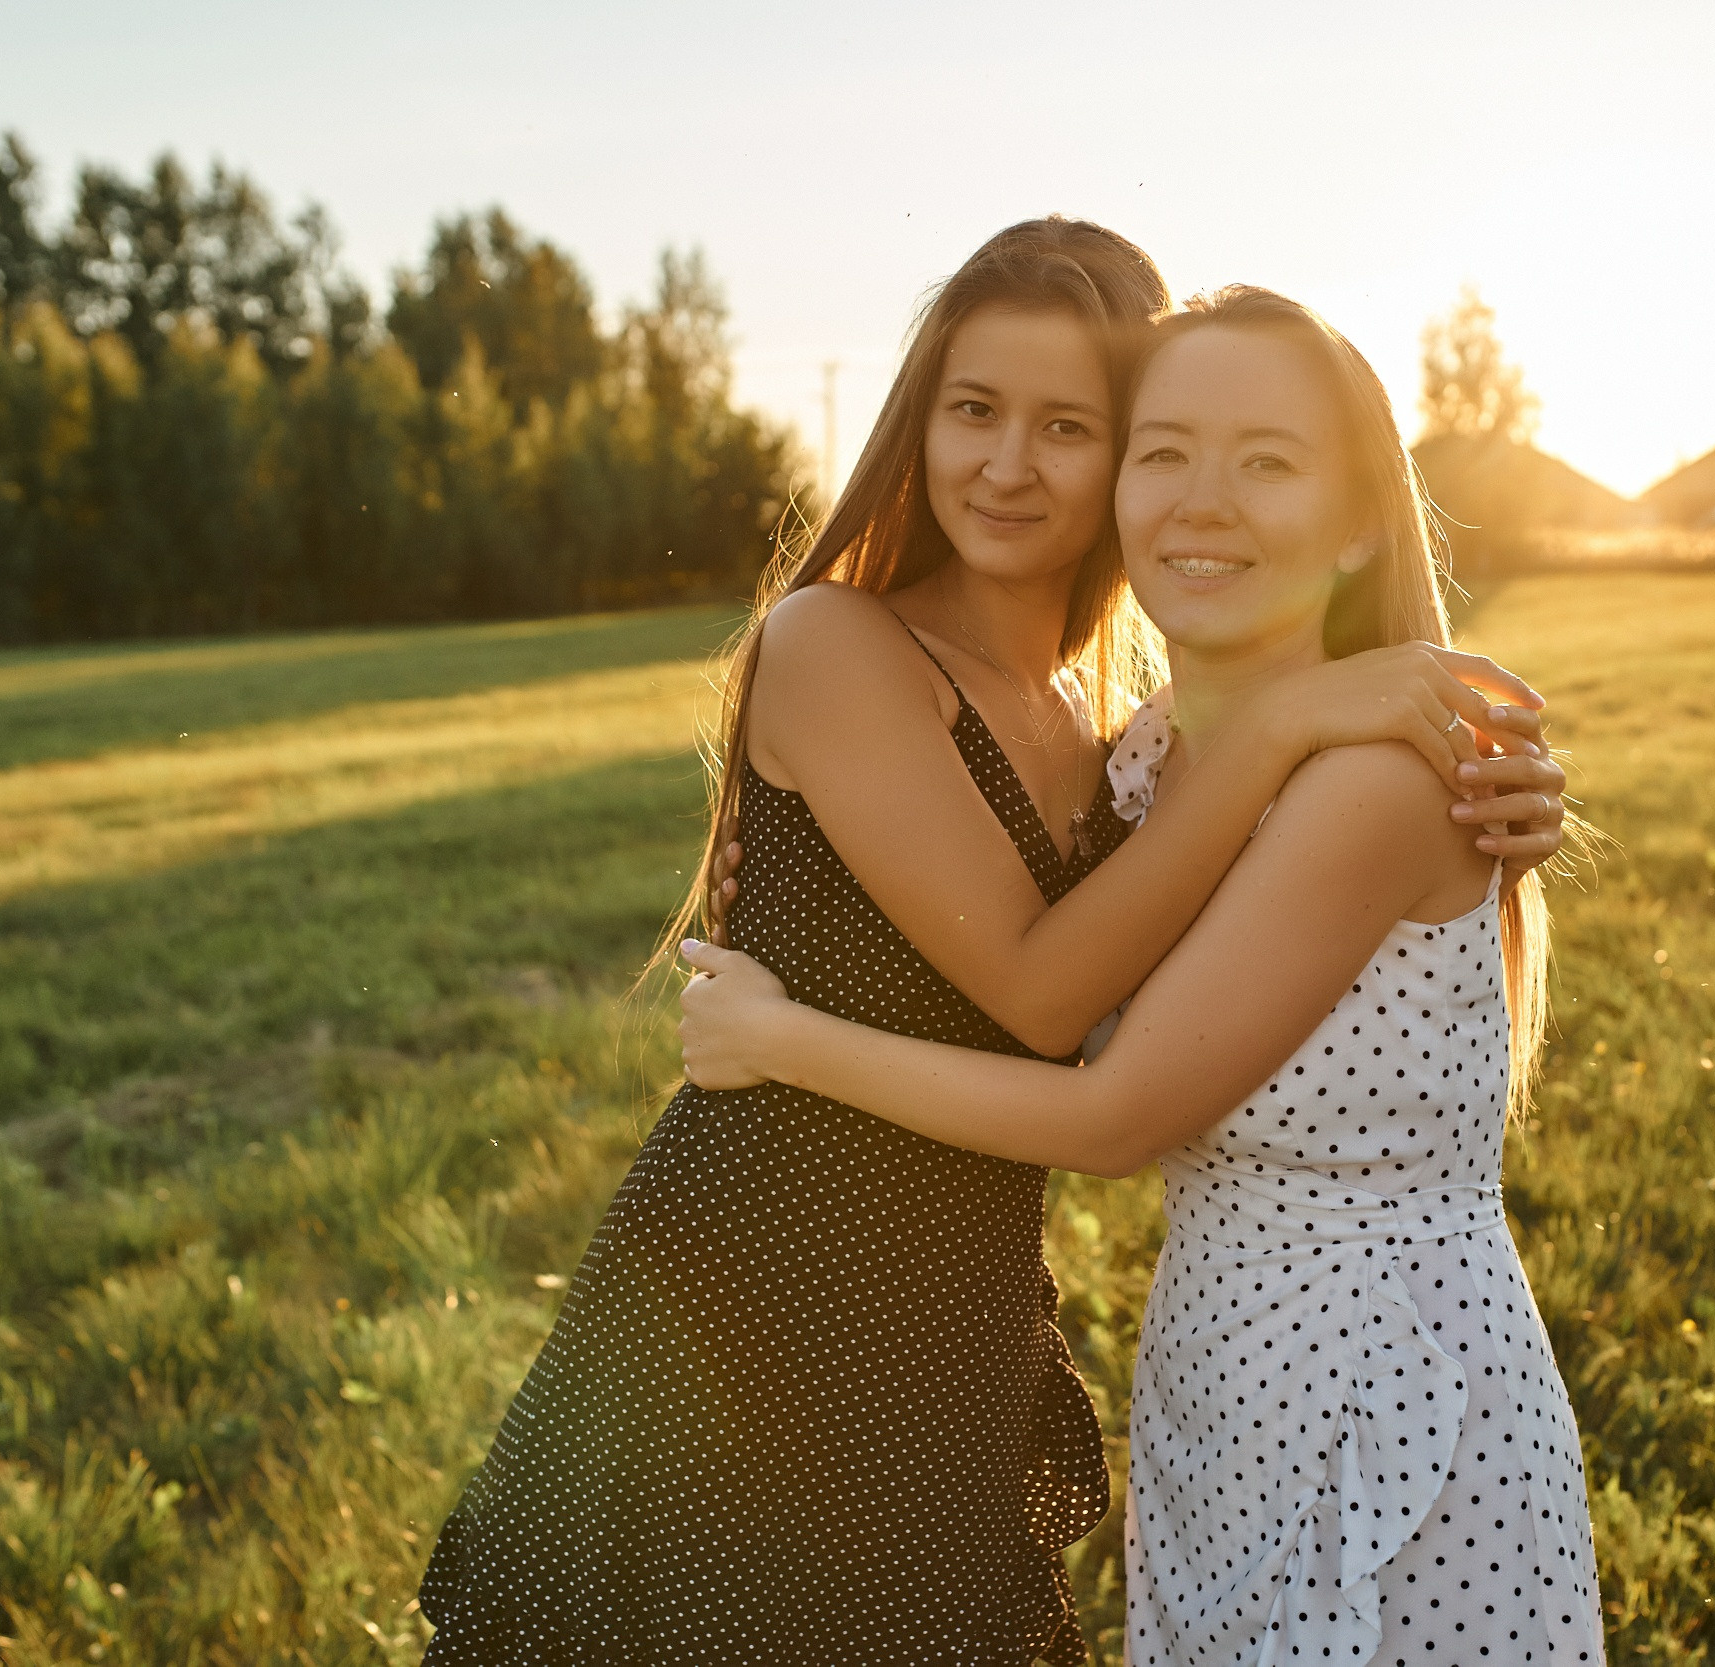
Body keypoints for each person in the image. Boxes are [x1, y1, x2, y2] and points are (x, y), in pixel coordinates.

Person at [418, 219, 1571, 1665]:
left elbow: (1190, 974)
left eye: (1070, 427)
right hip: (764, 1289)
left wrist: (1489, 792)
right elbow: (1043, 993)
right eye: (973, 410)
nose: (1009, 464)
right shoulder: (854, 645)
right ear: (919, 426)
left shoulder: (1117, 747)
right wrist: (1292, 725)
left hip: (967, 1314)